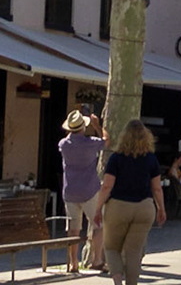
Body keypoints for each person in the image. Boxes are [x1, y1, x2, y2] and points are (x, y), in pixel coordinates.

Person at [92, 119, 166, 285]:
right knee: (134, 250)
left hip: (119, 206)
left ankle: (118, 281)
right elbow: (157, 188)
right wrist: (161, 208)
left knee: (112, 247)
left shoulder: (116, 158)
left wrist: (98, 208)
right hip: (145, 207)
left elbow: (107, 186)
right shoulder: (151, 159)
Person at [57, 111, 104, 263]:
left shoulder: (63, 144)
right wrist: (97, 126)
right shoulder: (90, 142)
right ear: (83, 127)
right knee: (98, 225)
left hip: (70, 191)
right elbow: (106, 141)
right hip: (89, 190)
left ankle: (73, 262)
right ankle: (97, 260)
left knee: (73, 229)